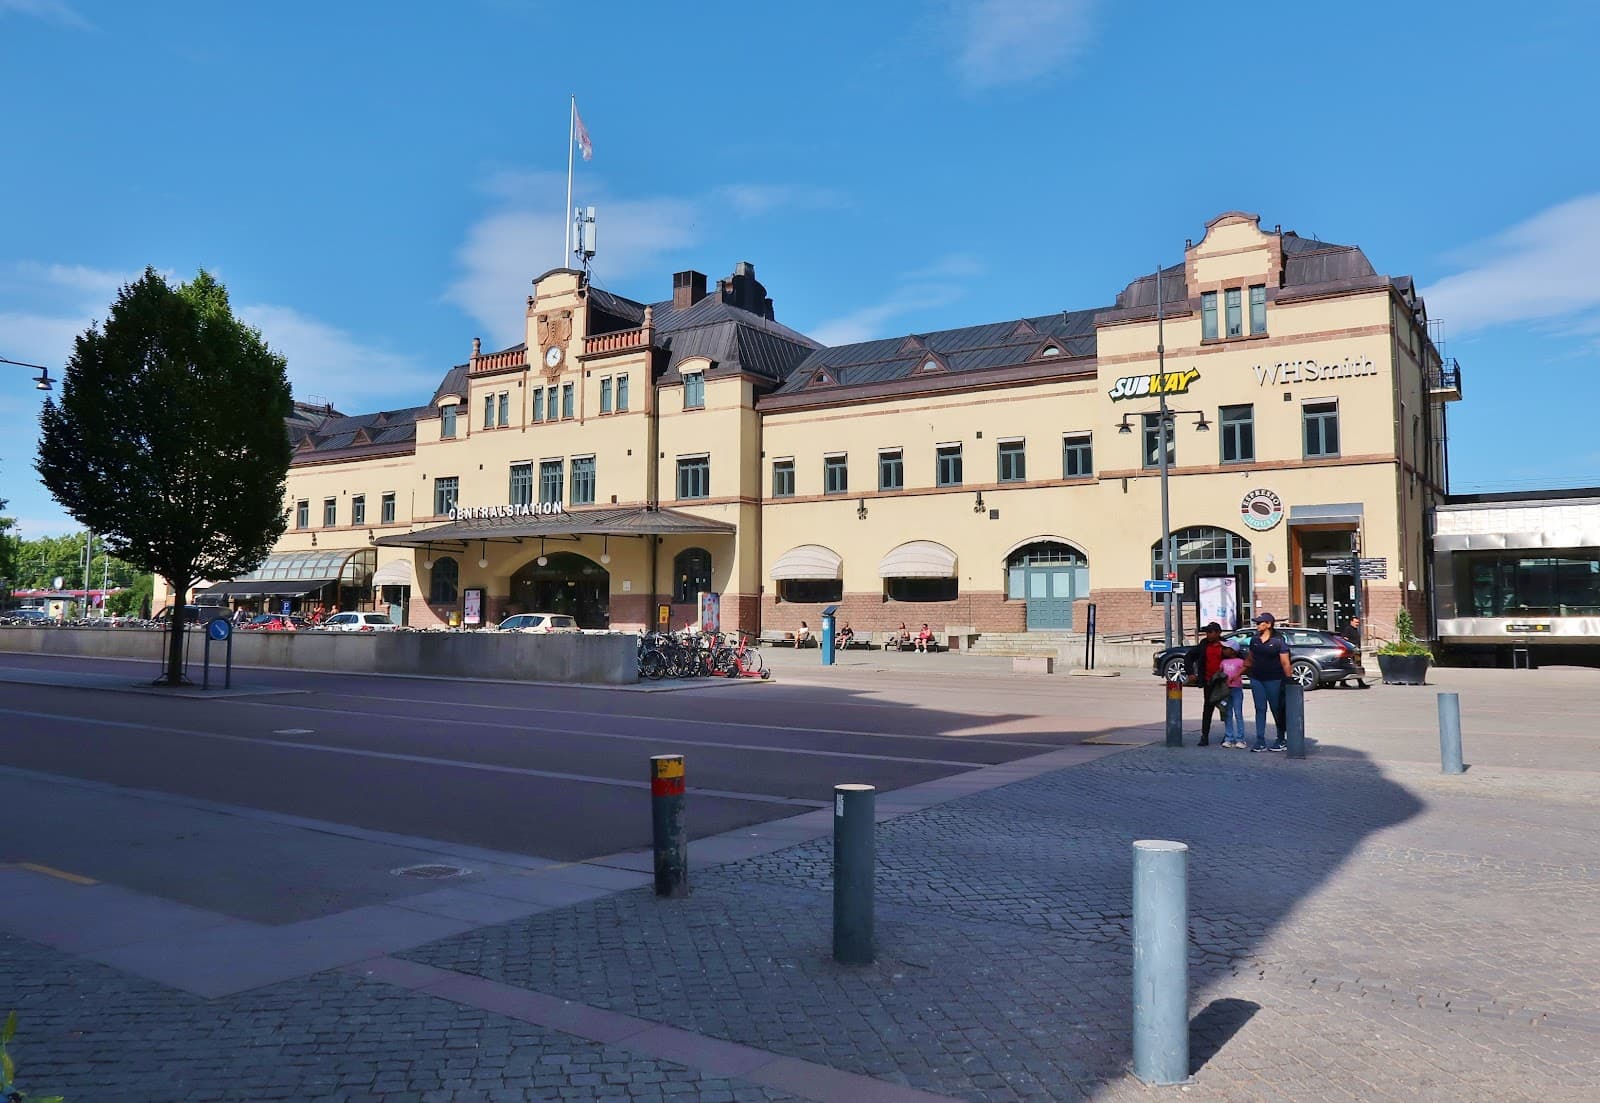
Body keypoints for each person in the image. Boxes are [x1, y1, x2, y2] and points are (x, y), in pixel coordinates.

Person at [1243, 612, 1293, 752]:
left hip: (1275, 679)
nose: (1257, 625)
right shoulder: (1254, 640)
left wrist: (1289, 680)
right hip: (1257, 678)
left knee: (1276, 709)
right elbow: (1250, 659)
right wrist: (1236, 674)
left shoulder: (1278, 641)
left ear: (1269, 624)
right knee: (1260, 709)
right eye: (1257, 623)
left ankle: (1281, 738)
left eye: (1260, 623)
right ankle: (1260, 740)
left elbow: (1285, 662)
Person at [1183, 621, 1228, 746]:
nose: (1207, 634)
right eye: (1206, 632)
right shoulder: (1204, 644)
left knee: (1225, 709)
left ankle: (1228, 735)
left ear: (1218, 633)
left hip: (1223, 682)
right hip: (1208, 681)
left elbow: (1236, 657)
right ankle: (1204, 736)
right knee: (1207, 709)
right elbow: (1189, 656)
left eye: (1210, 632)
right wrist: (1190, 673)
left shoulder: (1225, 644)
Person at [1219, 645, 1247, 747]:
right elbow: (1219, 673)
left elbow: (1245, 669)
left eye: (1226, 648)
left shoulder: (1240, 661)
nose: (1224, 650)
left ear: (1233, 650)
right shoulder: (1223, 662)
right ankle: (1228, 737)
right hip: (1226, 690)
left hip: (1236, 689)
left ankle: (1240, 738)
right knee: (1228, 714)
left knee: (1238, 713)